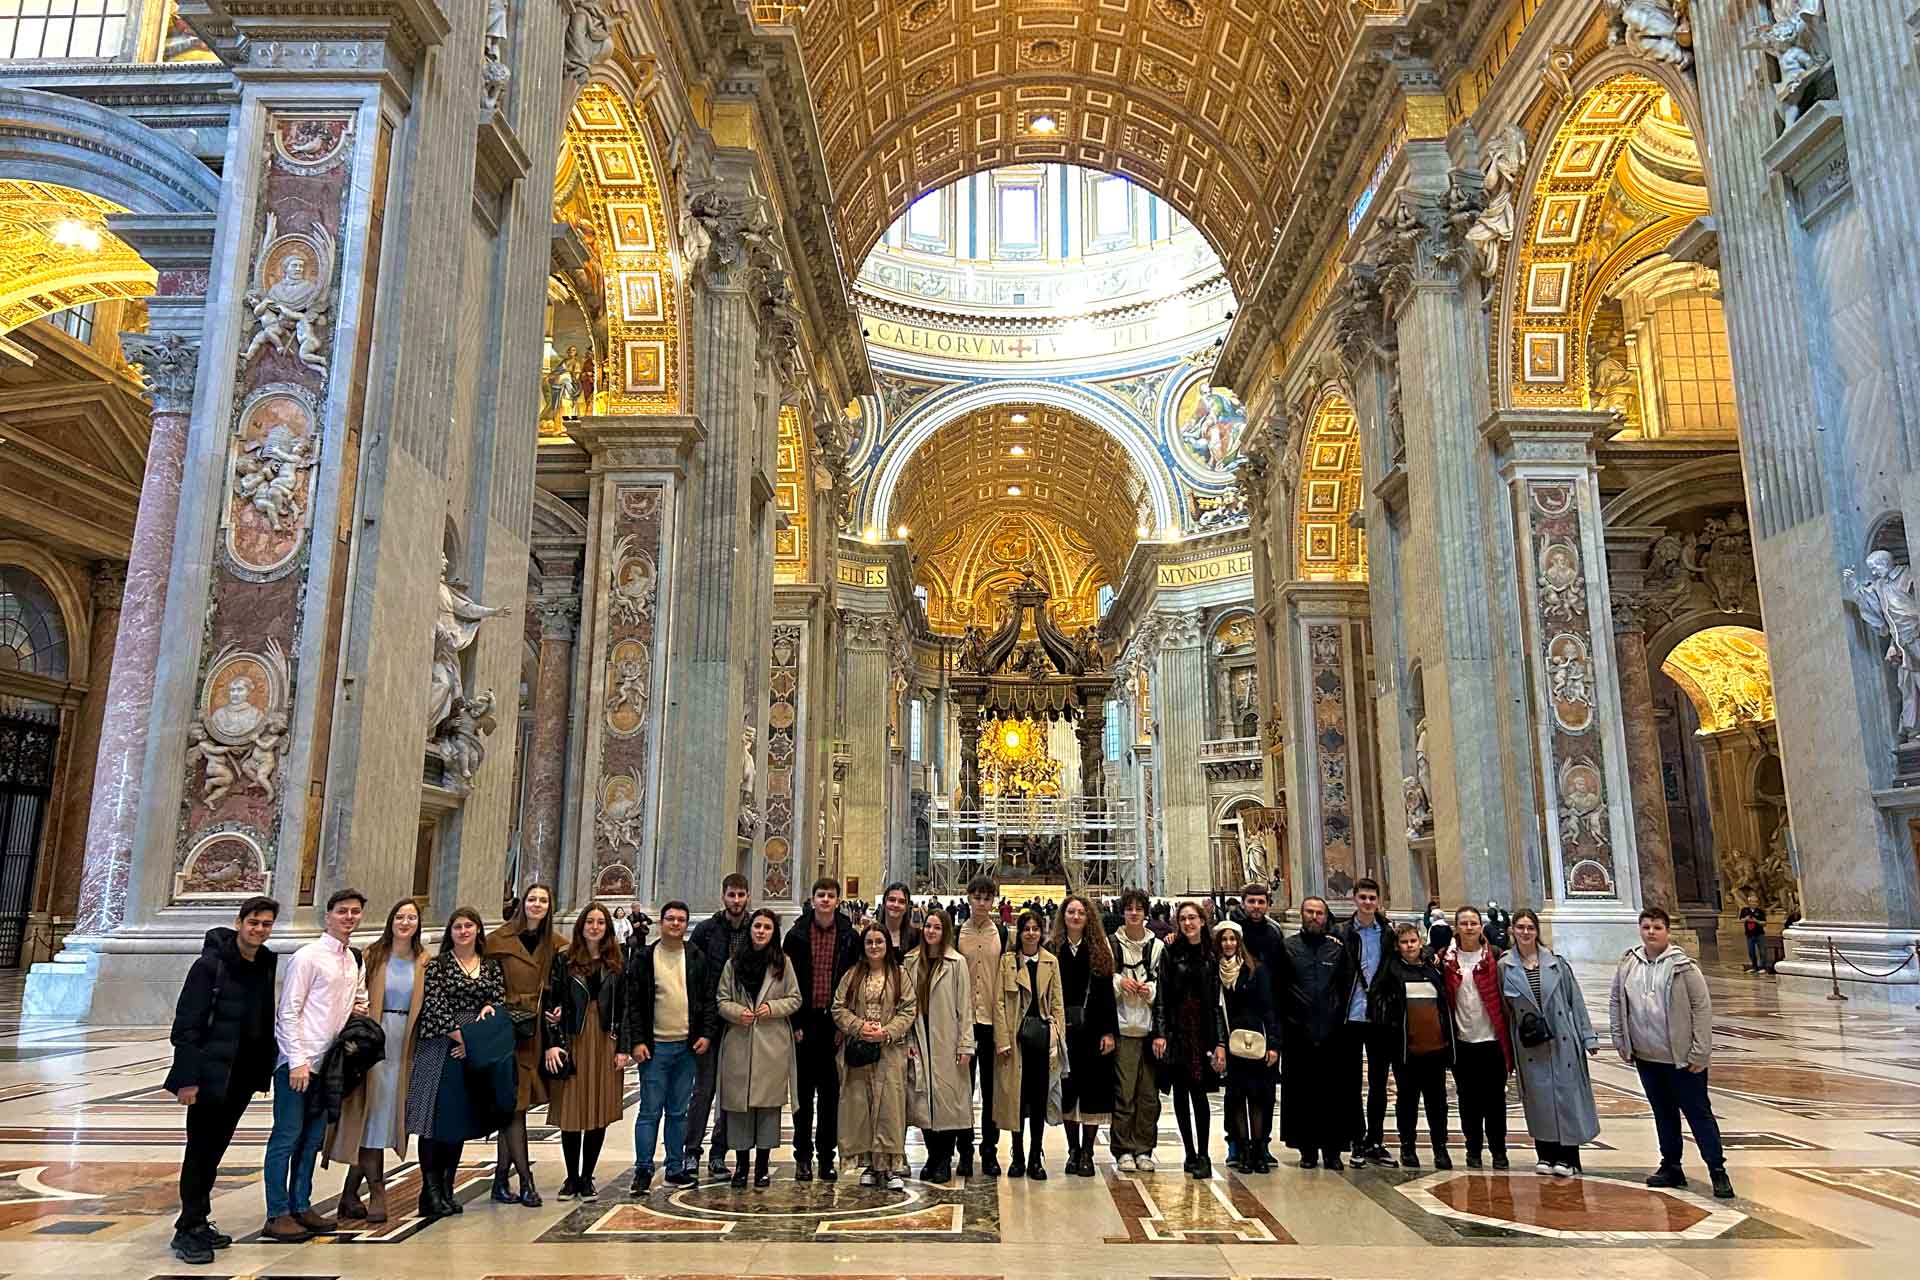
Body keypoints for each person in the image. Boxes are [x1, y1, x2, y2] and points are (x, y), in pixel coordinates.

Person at [166, 896, 280, 1265]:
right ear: (239, 922)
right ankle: (188, 1228)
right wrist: (187, 1080)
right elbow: (186, 1027)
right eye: (254, 922)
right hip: (209, 1074)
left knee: (215, 1150)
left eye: (266, 924)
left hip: (241, 1075)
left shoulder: (264, 962)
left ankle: (199, 1219)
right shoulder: (209, 966)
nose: (259, 929)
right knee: (200, 1150)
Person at [263, 888, 368, 1241]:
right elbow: (288, 1011)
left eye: (354, 912)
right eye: (342, 911)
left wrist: (359, 1011)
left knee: (311, 1140)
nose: (349, 917)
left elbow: (359, 1000)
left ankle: (301, 1204)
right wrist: (296, 1061)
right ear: (328, 916)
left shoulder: (353, 959)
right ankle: (277, 1212)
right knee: (286, 1137)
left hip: (330, 1064)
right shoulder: (308, 956)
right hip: (299, 1062)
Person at [1610, 906, 1734, 1198]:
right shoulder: (1629, 964)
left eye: (1657, 927)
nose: (1651, 932)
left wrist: (1700, 1051)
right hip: (1646, 1055)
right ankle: (1671, 1165)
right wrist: (1621, 1039)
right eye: (1646, 927)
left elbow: (1701, 1008)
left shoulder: (1684, 967)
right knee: (1663, 1113)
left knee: (1698, 1113)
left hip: (1681, 1057)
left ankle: (1717, 1169)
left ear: (1667, 931)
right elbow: (1617, 1000)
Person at [327, 898, 426, 1226]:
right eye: (400, 917)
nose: (405, 923)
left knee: (383, 1116)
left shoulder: (425, 960)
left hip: (405, 1044)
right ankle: (377, 1191)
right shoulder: (372, 955)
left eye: (411, 918)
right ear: (390, 921)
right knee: (372, 1115)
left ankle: (348, 1194)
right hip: (374, 1041)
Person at [408, 907, 510, 1220]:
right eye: (458, 927)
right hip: (441, 1045)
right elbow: (434, 1006)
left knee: (458, 1119)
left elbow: (498, 1000)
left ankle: (448, 1187)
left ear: (478, 930)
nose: (464, 931)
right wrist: (463, 1038)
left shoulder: (490, 966)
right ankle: (430, 1190)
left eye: (469, 926)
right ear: (450, 932)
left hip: (472, 1047)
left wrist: (481, 1027)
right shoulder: (437, 965)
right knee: (433, 1121)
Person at [1499, 908, 1600, 1177]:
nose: (1525, 932)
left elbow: (1575, 1000)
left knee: (1567, 1096)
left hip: (1561, 1036)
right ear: (1512, 930)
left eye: (1530, 927)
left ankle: (1569, 1157)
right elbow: (1505, 1009)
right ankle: (1545, 1153)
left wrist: (1588, 1036)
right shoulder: (1505, 966)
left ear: (1537, 931)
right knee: (1538, 1098)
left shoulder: (1557, 963)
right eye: (1520, 927)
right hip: (1530, 1042)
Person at [625, 900, 717, 1192]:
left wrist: (706, 1034)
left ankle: (675, 1167)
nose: (675, 924)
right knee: (650, 1111)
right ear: (661, 922)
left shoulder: (696, 957)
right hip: (655, 1047)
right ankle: (643, 1168)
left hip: (687, 1046)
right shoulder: (644, 957)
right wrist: (637, 1041)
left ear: (686, 924)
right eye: (670, 919)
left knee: (678, 1112)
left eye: (681, 920)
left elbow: (707, 1000)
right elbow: (634, 1003)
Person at [544, 901, 629, 1200]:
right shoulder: (564, 959)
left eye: (600, 922)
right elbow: (551, 1002)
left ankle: (586, 1177)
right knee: (572, 1109)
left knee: (598, 1108)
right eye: (590, 922)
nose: (595, 927)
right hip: (574, 1036)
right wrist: (553, 1041)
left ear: (608, 928)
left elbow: (625, 1007)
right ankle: (571, 1177)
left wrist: (623, 1048)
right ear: (581, 926)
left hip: (605, 1038)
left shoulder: (616, 961)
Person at [716, 908, 801, 1188]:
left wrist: (772, 1007)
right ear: (750, 929)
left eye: (767, 927)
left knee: (767, 1108)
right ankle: (741, 1165)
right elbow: (721, 1000)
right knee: (739, 1106)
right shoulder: (733, 963)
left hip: (771, 1043)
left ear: (774, 932)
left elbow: (795, 998)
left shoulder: (783, 963)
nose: (761, 931)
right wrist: (736, 1012)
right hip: (740, 1040)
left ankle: (762, 1166)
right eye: (757, 926)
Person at [484, 883, 558, 1205]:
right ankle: (526, 1180)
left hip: (535, 1032)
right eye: (532, 899)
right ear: (522, 903)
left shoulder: (556, 943)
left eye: (543, 900)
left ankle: (501, 1179)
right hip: (506, 1029)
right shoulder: (498, 941)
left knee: (516, 1106)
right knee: (514, 1105)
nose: (537, 905)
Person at [783, 876, 860, 1182]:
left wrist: (845, 1024)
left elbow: (854, 982)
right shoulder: (796, 935)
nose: (825, 900)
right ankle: (802, 1156)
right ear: (813, 899)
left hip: (834, 1024)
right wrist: (795, 1023)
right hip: (805, 1023)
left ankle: (826, 1156)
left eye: (830, 895)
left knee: (830, 1097)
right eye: (821, 895)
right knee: (802, 1097)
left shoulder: (849, 936)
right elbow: (786, 982)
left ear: (838, 901)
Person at [834, 922, 919, 1188]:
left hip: (890, 1050)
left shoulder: (899, 975)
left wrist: (887, 1032)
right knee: (862, 1106)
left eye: (879, 942)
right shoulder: (853, 975)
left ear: (887, 945)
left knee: (890, 1108)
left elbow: (909, 1009)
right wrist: (859, 1027)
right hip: (860, 1050)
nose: (874, 946)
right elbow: (838, 1007)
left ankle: (890, 1166)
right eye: (869, 942)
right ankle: (870, 1164)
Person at [1274, 895, 1353, 1169]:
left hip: (1332, 1030)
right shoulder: (1288, 947)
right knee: (1302, 1093)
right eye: (1309, 912)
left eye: (1319, 913)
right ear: (1303, 915)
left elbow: (1346, 986)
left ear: (1326, 917)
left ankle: (1333, 1150)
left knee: (1333, 1093)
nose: (1314, 917)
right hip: (1298, 1030)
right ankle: (1306, 1149)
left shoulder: (1337, 949)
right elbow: (1280, 987)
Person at [1367, 921, 1454, 1168]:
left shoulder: (1432, 969)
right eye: (1404, 942)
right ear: (1397, 946)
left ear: (1420, 942)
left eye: (1413, 941)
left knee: (1437, 1102)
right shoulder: (1390, 971)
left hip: (1435, 1047)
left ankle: (1440, 1147)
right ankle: (1407, 1146)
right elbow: (1379, 1000)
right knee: (1407, 1101)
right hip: (1405, 1048)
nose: (1409, 946)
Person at [1152, 900, 1225, 1178]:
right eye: (1183, 918)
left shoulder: (1212, 953)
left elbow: (1217, 1002)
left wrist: (1220, 1042)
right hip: (1177, 1029)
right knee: (1181, 1094)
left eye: (1192, 918)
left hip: (1202, 1031)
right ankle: (1189, 1153)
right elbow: (1162, 995)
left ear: (1202, 921)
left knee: (1200, 1093)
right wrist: (1161, 1033)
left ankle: (1204, 1153)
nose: (1188, 923)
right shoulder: (1171, 951)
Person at [687, 874, 753, 1178]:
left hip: (740, 1021)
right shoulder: (706, 931)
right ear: (723, 896)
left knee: (731, 1092)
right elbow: (693, 975)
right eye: (731, 895)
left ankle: (718, 1153)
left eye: (741, 895)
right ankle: (691, 1151)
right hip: (709, 1021)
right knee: (704, 1090)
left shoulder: (756, 929)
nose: (736, 901)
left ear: (748, 896)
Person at [903, 908, 973, 1183]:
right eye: (928, 926)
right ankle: (932, 1155)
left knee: (947, 1103)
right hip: (919, 1037)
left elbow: (964, 1007)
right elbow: (905, 1005)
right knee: (923, 1102)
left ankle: (944, 1157)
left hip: (947, 1038)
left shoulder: (956, 963)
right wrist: (907, 1040)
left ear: (945, 932)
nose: (931, 931)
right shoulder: (911, 962)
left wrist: (965, 1045)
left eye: (937, 927)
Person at [1050, 894, 1118, 1176]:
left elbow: (1107, 995)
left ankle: (1088, 1151)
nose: (1076, 917)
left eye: (1081, 913)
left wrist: (1110, 1032)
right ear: (1063, 916)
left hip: (1093, 1029)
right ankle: (1073, 1150)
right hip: (1063, 1029)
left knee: (1093, 1091)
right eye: (1071, 912)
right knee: (1068, 1090)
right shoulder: (1053, 949)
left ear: (1088, 917)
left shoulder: (1099, 950)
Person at [994, 909, 1065, 1178]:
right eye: (1027, 929)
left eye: (1035, 929)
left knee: (1038, 1100)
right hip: (1016, 1040)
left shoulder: (1050, 962)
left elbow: (1057, 1003)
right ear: (1019, 933)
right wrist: (1002, 1039)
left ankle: (1036, 1155)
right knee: (1017, 1099)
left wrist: (1057, 1037)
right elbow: (999, 1002)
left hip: (1042, 1040)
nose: (1031, 933)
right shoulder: (1008, 962)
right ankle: (1018, 1156)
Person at [1442, 904, 1511, 1169]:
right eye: (1464, 923)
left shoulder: (1496, 957)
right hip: (1462, 1042)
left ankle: (1498, 1150)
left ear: (1481, 927)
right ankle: (1473, 1149)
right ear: (1456, 928)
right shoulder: (1445, 959)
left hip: (1492, 1040)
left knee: (1495, 1101)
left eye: (1473, 923)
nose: (1469, 928)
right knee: (1468, 1100)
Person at [1336, 877, 1394, 1166]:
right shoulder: (1342, 933)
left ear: (1378, 900)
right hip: (1351, 1014)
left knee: (1379, 1082)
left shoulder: (1388, 934)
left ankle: (1376, 1139)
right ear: (1355, 899)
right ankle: (1357, 1139)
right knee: (1351, 1082)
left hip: (1378, 1016)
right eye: (1363, 898)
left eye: (1372, 898)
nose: (1368, 902)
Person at [1215, 920, 1279, 1174]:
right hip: (1231, 1043)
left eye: (1232, 939)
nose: (1228, 944)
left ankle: (1259, 1150)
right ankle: (1242, 1149)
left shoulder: (1255, 969)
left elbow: (1269, 1007)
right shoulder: (1215, 970)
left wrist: (1273, 1043)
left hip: (1255, 1040)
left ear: (1239, 942)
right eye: (1224, 939)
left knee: (1258, 1097)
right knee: (1236, 1098)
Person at [955, 874, 1008, 1176]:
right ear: (969, 898)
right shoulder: (957, 933)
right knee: (963, 1089)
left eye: (987, 898)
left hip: (990, 1021)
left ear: (993, 902)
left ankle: (989, 1151)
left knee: (991, 1091)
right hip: (963, 1021)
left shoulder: (1002, 933)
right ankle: (964, 1151)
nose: (982, 903)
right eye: (977, 897)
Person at [1109, 889, 1164, 1171]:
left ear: (1145, 913)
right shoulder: (1111, 944)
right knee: (1124, 1094)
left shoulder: (1158, 947)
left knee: (1149, 1096)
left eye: (1138, 909)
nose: (1133, 913)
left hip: (1150, 1030)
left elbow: (1165, 987)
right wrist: (1120, 983)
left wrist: (1150, 990)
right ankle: (1123, 1149)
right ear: (1123, 912)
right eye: (1129, 908)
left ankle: (1144, 1148)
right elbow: (1102, 982)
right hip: (1123, 1028)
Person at [878, 881, 922, 961]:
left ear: (906, 907)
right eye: (892, 900)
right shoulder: (871, 934)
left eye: (902, 902)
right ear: (884, 902)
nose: (896, 905)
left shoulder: (917, 937)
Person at [1739, 898, 1769, 973]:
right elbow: (1740, 920)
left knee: (1762, 951)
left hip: (1759, 934)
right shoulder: (1744, 910)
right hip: (1749, 935)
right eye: (1752, 902)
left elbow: (1764, 923)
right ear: (1749, 902)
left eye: (1755, 902)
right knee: (1751, 952)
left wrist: (1756, 921)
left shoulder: (1760, 911)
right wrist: (1746, 919)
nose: (1754, 903)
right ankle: (1754, 967)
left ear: (1757, 903)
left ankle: (1762, 967)